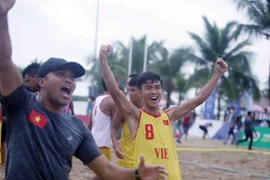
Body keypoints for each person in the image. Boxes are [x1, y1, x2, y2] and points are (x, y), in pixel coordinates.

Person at [0, 1, 168, 179]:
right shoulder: (23, 105)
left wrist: (137, 174)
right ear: (42, 82)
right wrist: (2, 15)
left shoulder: (76, 127)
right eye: (60, 73)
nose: (69, 80)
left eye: (72, 77)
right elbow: (4, 62)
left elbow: (107, 170)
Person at [99, 44, 228, 180]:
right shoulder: (136, 116)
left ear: (162, 91)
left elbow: (199, 99)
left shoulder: (169, 115)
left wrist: (218, 74)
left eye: (157, 87)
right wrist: (103, 60)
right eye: (148, 87)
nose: (154, 91)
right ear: (140, 92)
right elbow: (115, 92)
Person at [111, 74, 143, 168]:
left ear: (141, 91)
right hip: (127, 159)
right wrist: (115, 145)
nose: (129, 93)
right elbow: (114, 128)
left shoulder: (149, 110)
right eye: (128, 90)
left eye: (132, 90)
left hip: (144, 159)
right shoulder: (124, 108)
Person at [89, 78, 117, 161]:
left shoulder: (97, 99)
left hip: (93, 142)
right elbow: (116, 124)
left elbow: (90, 124)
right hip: (103, 144)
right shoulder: (111, 101)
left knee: (100, 172)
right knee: (105, 173)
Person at [0, 99, 6, 166]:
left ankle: (3, 161)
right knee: (3, 143)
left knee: (3, 143)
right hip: (2, 123)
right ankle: (3, 161)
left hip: (2, 124)